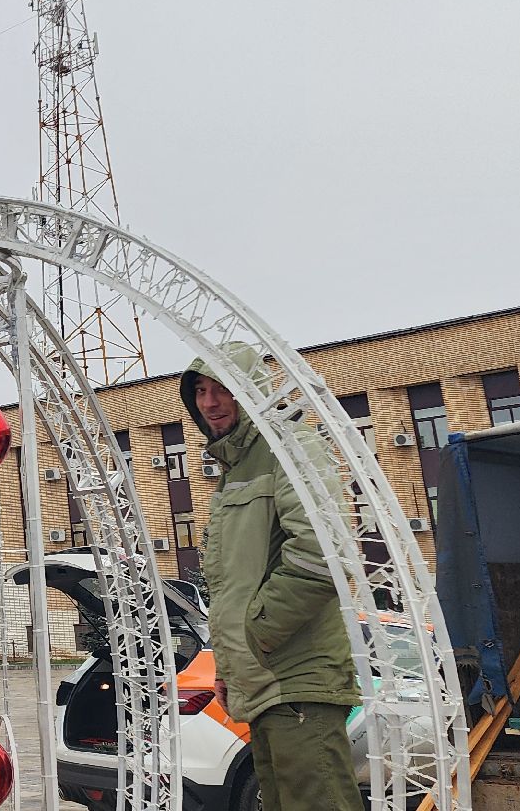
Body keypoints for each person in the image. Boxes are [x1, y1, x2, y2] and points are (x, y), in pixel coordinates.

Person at [181, 345, 360, 811]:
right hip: (266, 683)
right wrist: (232, 664)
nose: (209, 402)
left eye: (223, 388)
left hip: (297, 678)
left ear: (252, 392)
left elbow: (325, 554)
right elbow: (237, 583)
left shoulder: (292, 448)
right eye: (200, 390)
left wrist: (255, 635)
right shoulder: (236, 468)